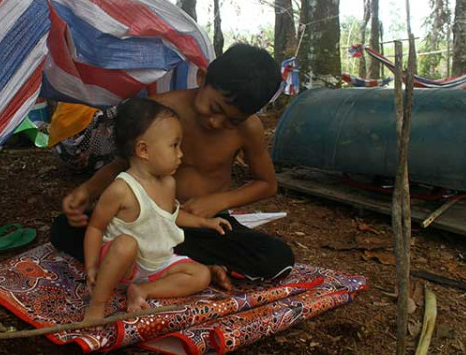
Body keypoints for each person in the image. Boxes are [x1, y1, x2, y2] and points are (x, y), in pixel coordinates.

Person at [51, 43, 295, 288]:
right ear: (202, 78)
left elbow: (267, 183)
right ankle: (185, 267)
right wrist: (88, 190)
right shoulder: (160, 112)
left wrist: (218, 202)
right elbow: (121, 164)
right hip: (148, 221)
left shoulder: (248, 128)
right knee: (66, 227)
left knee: (278, 258)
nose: (216, 122)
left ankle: (162, 265)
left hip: (205, 225)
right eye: (215, 108)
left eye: (233, 120)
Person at [83, 98, 231, 322]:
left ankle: (143, 291)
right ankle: (97, 304)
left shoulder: (168, 183)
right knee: (126, 244)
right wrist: (92, 267)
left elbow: (169, 215)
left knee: (201, 275)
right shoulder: (121, 189)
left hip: (157, 265)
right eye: (174, 145)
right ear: (143, 150)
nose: (181, 153)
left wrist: (205, 222)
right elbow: (95, 227)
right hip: (124, 267)